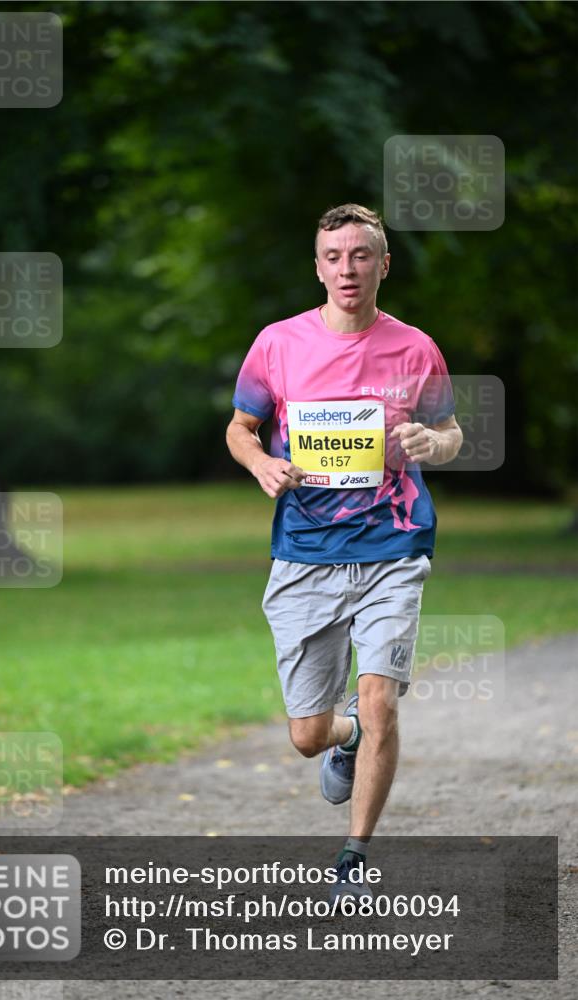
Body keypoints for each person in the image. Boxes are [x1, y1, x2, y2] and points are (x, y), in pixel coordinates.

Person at [225, 203, 463, 902]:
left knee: (382, 699)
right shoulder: (277, 344)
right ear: (318, 266)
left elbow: (447, 430)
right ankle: (346, 731)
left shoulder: (415, 348)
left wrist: (432, 443)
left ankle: (354, 858)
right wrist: (261, 465)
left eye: (360, 255)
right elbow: (241, 429)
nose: (346, 269)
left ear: (382, 264)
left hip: (393, 544)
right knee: (305, 737)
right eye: (333, 257)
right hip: (304, 552)